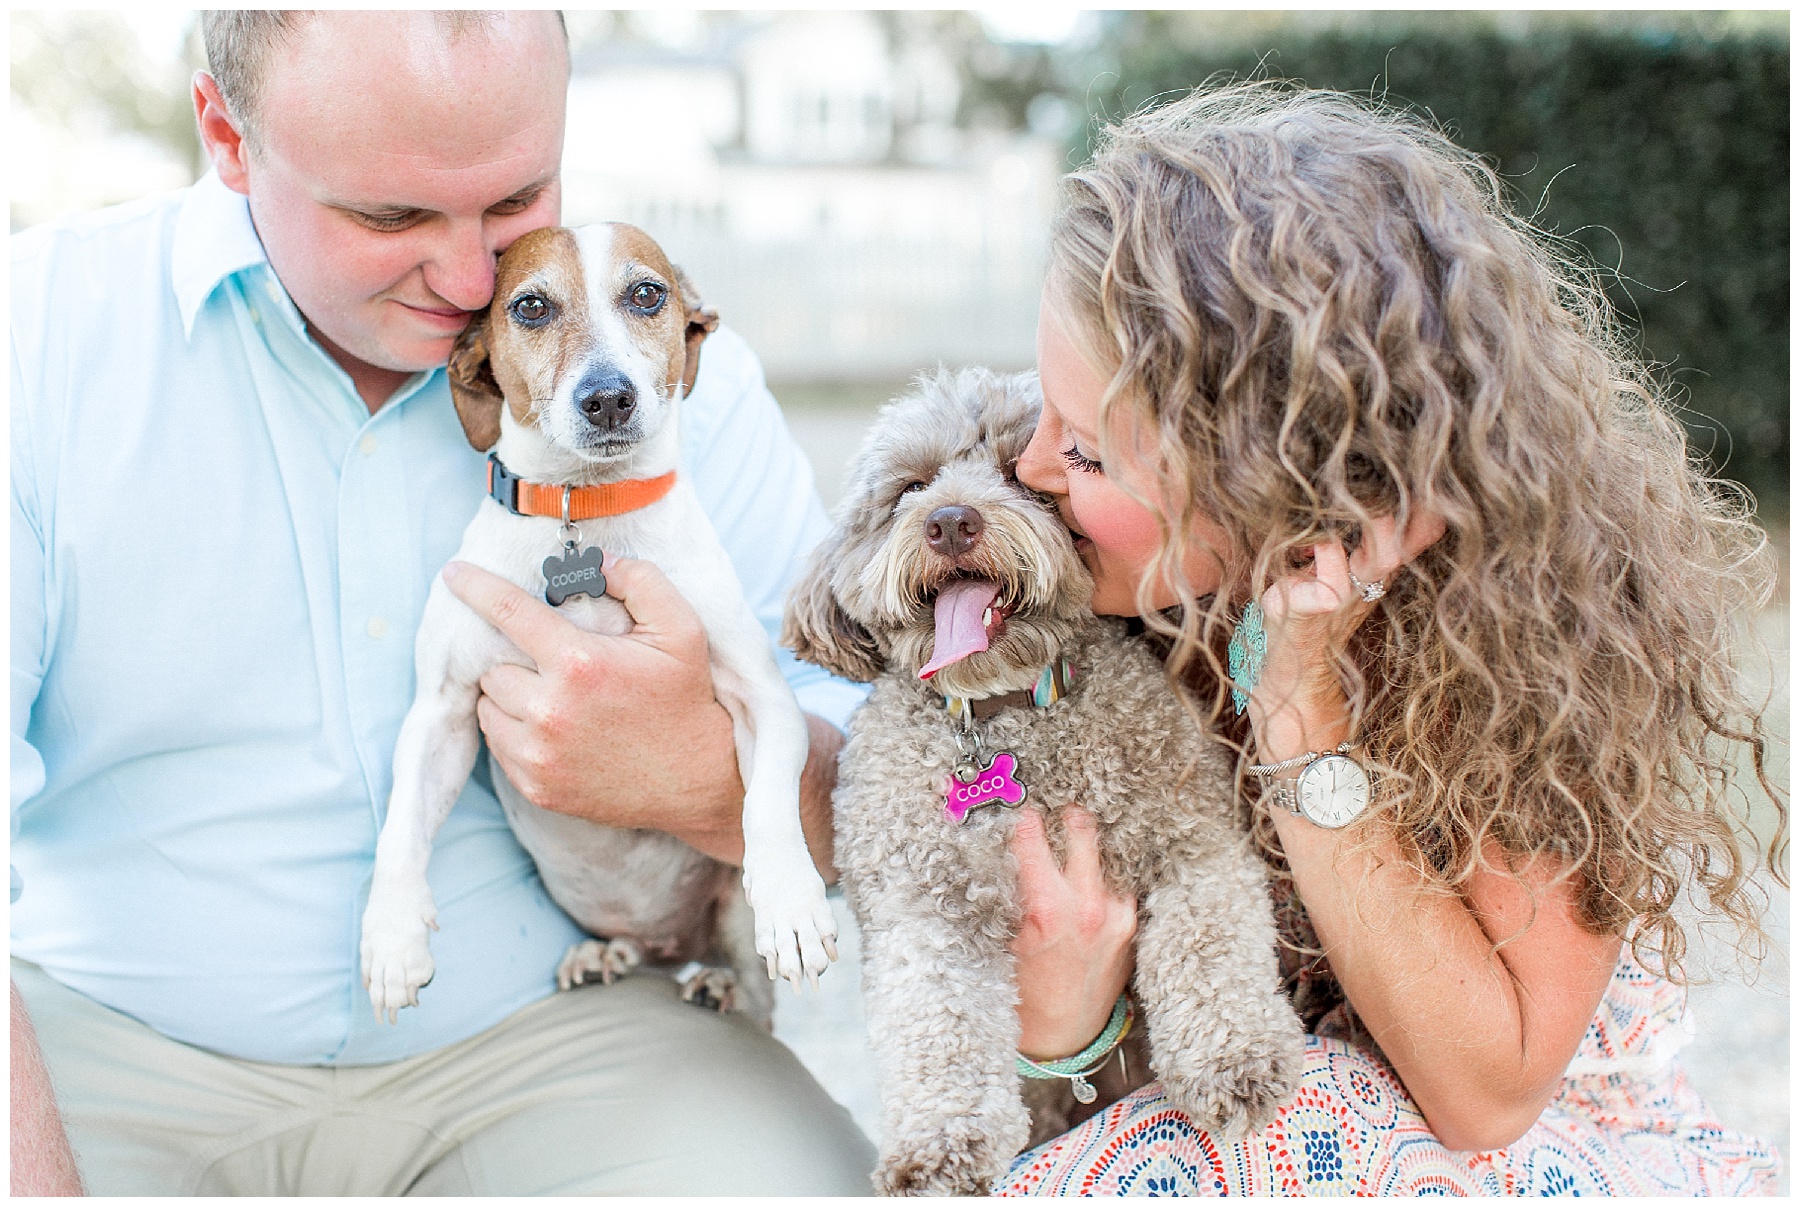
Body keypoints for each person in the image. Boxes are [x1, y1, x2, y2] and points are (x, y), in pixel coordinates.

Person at [10, 11, 873, 1195]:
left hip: (565, 1039)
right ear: (226, 133)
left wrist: (713, 784)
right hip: (105, 1052)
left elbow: (926, 767)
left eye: (517, 195)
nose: (475, 279)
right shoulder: (41, 341)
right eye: (391, 216)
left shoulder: (650, 364)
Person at [993, 83, 1785, 1195]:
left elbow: (1487, 1095)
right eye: (1043, 411)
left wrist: (1298, 702)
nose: (1024, 468)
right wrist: (1063, 1036)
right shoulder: (1104, 586)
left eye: (1084, 452)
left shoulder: (1522, 633)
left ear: (1274, 478)